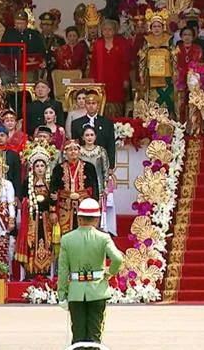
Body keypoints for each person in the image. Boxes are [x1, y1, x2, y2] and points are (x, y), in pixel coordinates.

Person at [58, 198, 123, 345]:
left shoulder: (67, 239)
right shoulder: (104, 238)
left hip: (75, 292)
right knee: (95, 337)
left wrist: (62, 294)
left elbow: (63, 270)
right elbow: (118, 259)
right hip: (97, 289)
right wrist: (109, 273)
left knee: (78, 338)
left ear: (78, 218)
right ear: (96, 219)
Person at [16, 141, 58, 277]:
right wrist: (28, 202)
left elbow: (55, 200)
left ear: (46, 167)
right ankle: (31, 272)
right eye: (37, 165)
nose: (40, 168)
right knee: (31, 242)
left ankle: (47, 272)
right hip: (31, 218)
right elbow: (22, 199)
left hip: (47, 218)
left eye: (42, 165)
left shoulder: (51, 181)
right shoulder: (28, 181)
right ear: (33, 167)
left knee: (48, 242)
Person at [50, 140, 99, 236]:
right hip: (64, 207)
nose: (73, 152)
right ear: (65, 153)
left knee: (85, 235)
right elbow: (53, 190)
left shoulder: (89, 167)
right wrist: (52, 211)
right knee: (65, 235)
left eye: (75, 149)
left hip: (84, 206)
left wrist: (95, 206)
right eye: (70, 150)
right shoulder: (58, 169)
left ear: (79, 151)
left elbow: (94, 188)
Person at [138, 8, 177, 117]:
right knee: (154, 101)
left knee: (167, 101)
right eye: (154, 26)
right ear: (150, 27)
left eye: (158, 26)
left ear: (163, 27)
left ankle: (169, 123)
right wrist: (141, 74)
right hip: (152, 77)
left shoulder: (169, 40)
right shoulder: (147, 41)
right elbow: (142, 59)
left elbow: (174, 57)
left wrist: (175, 72)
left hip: (167, 77)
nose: (156, 29)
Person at [90, 19, 131, 118]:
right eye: (105, 29)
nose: (107, 32)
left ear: (114, 31)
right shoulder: (98, 44)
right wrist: (92, 79)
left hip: (117, 79)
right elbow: (93, 64)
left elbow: (125, 63)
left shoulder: (121, 44)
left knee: (117, 103)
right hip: (101, 80)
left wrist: (125, 79)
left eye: (110, 29)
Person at [70, 91, 116, 169]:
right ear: (85, 105)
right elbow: (75, 145)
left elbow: (111, 145)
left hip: (101, 163)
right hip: (82, 163)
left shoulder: (107, 123)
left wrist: (111, 166)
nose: (91, 106)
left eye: (93, 103)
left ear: (98, 105)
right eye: (88, 103)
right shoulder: (76, 123)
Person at [0, 9, 46, 83]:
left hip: (29, 68)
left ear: (27, 23)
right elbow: (2, 51)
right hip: (10, 67)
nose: (19, 26)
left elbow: (41, 52)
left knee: (29, 80)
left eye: (22, 23)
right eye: (17, 23)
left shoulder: (35, 35)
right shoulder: (9, 34)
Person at [174, 27, 204, 122]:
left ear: (193, 37)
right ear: (181, 37)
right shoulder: (176, 49)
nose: (187, 37)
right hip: (180, 79)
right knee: (181, 103)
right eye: (185, 35)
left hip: (193, 79)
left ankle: (193, 125)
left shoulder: (198, 49)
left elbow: (199, 64)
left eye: (189, 35)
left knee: (193, 102)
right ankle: (181, 124)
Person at [79, 126, 110, 200]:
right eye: (87, 135)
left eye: (92, 135)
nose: (89, 137)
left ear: (95, 137)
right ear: (83, 137)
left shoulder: (101, 150)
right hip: (81, 185)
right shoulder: (79, 151)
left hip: (98, 185)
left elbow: (105, 170)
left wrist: (105, 186)